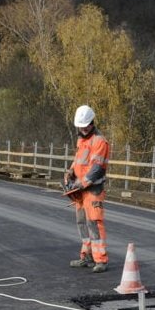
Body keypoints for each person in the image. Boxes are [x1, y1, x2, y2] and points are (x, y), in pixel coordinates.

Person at [63, 104, 111, 272]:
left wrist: (81, 183)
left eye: (85, 125)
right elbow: (79, 161)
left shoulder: (100, 141)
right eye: (80, 126)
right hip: (80, 191)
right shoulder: (82, 140)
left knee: (94, 223)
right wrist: (70, 172)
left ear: (92, 123)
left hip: (92, 189)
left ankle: (101, 260)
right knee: (82, 222)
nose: (83, 129)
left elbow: (96, 169)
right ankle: (87, 256)